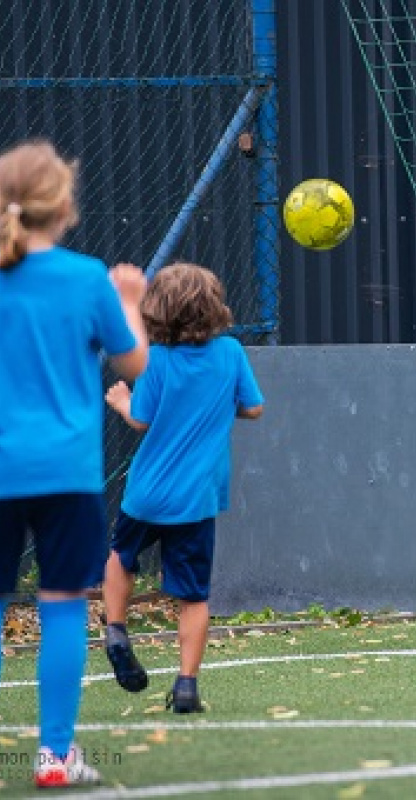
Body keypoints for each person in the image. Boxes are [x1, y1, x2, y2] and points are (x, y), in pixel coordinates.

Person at [0, 139, 149, 788]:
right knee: (62, 605)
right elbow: (138, 367)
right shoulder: (89, 278)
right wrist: (132, 303)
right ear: (63, 205)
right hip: (66, 473)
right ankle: (55, 756)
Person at [102, 262, 264, 714]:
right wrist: (219, 407)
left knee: (121, 555)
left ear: (156, 310)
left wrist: (121, 402)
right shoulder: (230, 353)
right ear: (214, 306)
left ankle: (115, 626)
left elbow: (142, 418)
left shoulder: (155, 358)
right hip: (197, 499)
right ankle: (187, 685)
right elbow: (254, 409)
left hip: (147, 493)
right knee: (194, 596)